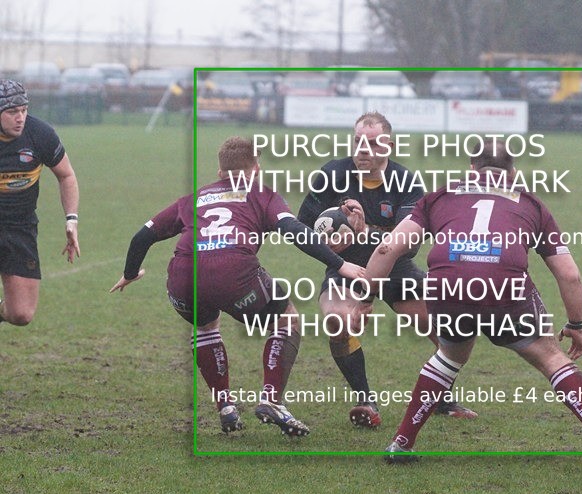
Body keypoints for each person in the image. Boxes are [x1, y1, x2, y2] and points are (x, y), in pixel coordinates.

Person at [360, 137, 582, 471]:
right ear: (512, 172)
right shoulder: (532, 204)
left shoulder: (439, 196)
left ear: (472, 168)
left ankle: (401, 443)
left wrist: (365, 298)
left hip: (447, 288)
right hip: (503, 290)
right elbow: (570, 275)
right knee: (551, 357)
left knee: (449, 354)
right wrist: (576, 325)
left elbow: (387, 249)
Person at [110, 136, 363, 436]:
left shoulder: (194, 198)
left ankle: (226, 407)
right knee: (287, 319)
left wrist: (129, 273)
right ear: (257, 168)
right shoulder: (262, 194)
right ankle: (271, 399)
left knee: (205, 327)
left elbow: (142, 236)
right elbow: (293, 229)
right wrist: (341, 263)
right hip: (233, 272)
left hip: (182, 277)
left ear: (219, 172)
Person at [297, 111, 477, 427]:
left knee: (449, 330)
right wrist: (330, 249)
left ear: (389, 145)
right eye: (357, 142)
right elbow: (302, 229)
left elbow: (408, 242)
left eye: (372, 143)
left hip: (396, 268)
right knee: (339, 324)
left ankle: (442, 398)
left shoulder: (405, 182)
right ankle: (365, 401)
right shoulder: (332, 175)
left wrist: (363, 231)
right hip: (348, 269)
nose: (362, 149)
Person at [0, 79, 80, 326]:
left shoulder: (40, 134)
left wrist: (71, 220)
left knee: (21, 314)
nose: (20, 117)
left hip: (20, 228)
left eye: (24, 110)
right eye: (12, 112)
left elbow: (66, 175)